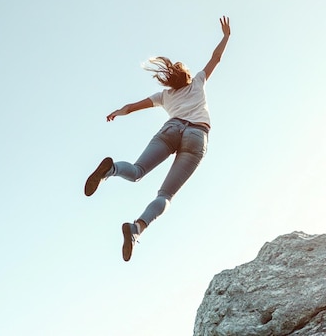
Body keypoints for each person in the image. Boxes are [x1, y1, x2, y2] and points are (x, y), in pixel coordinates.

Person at [85, 16, 231, 262]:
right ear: (185, 75)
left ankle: (110, 170)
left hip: (171, 129)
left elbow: (132, 107)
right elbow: (215, 59)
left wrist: (118, 112)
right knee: (165, 195)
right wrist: (226, 36)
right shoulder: (197, 82)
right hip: (197, 135)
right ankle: (136, 228)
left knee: (136, 170)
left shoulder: (164, 96)